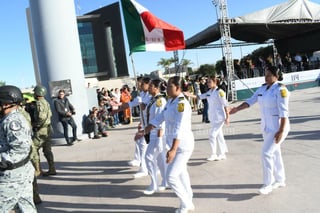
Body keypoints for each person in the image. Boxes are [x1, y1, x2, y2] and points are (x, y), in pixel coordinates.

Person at [229, 66, 290, 195]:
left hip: (278, 127)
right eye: (265, 74)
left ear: (276, 77)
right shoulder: (262, 88)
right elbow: (251, 101)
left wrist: (281, 131)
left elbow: (284, 113)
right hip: (266, 126)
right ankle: (280, 179)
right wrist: (236, 109)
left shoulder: (281, 90)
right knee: (275, 152)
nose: (266, 77)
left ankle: (268, 183)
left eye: (269, 75)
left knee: (266, 153)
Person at [143, 76, 195, 213]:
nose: (167, 88)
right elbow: (160, 118)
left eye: (170, 86)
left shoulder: (181, 104)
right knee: (182, 173)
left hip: (182, 146)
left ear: (177, 88)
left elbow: (179, 128)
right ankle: (189, 199)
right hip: (175, 144)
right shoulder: (170, 102)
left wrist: (172, 149)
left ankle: (185, 204)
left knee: (171, 176)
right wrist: (146, 129)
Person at [0, 85, 36, 212]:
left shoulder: (12, 121)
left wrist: (1, 159)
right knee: (25, 207)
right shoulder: (8, 118)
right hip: (20, 172)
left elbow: (20, 149)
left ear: (5, 104)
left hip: (12, 176)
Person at [185, 74, 229, 161]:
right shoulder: (209, 92)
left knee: (212, 135)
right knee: (219, 135)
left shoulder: (220, 92)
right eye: (207, 82)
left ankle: (214, 154)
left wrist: (227, 117)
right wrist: (189, 95)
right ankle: (222, 153)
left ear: (215, 82)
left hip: (220, 117)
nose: (207, 83)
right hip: (213, 117)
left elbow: (225, 105)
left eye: (209, 82)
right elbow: (199, 97)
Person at [143, 79, 167, 195]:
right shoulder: (152, 100)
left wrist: (158, 138)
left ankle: (154, 184)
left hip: (157, 134)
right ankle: (165, 181)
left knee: (148, 157)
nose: (149, 87)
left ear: (157, 88)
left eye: (151, 86)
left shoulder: (160, 101)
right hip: (152, 133)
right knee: (160, 159)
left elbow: (161, 120)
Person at [31, 85, 56, 176]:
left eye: (34, 92)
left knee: (33, 149)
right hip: (48, 129)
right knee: (47, 150)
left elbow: (41, 117)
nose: (34, 94)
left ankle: (38, 170)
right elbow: (50, 114)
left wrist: (35, 125)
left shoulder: (39, 103)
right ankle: (52, 168)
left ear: (38, 93)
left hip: (41, 130)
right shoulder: (46, 102)